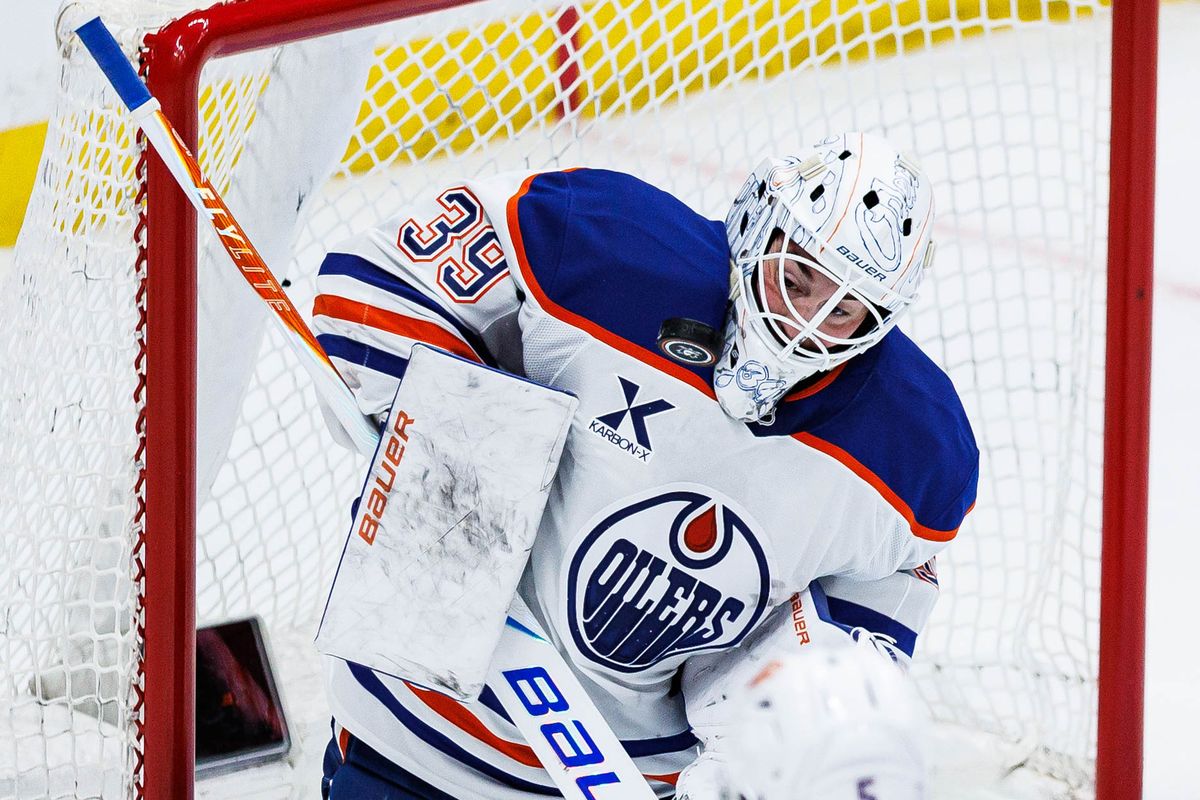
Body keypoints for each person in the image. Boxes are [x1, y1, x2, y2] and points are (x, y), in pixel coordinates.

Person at [312, 131, 978, 799]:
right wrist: (455, 494)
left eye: (842, 310)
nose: (800, 322)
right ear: (754, 225)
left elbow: (872, 623)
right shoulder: (601, 246)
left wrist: (774, 744)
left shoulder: (914, 453)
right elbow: (371, 285)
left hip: (610, 779)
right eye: (796, 277)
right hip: (406, 735)